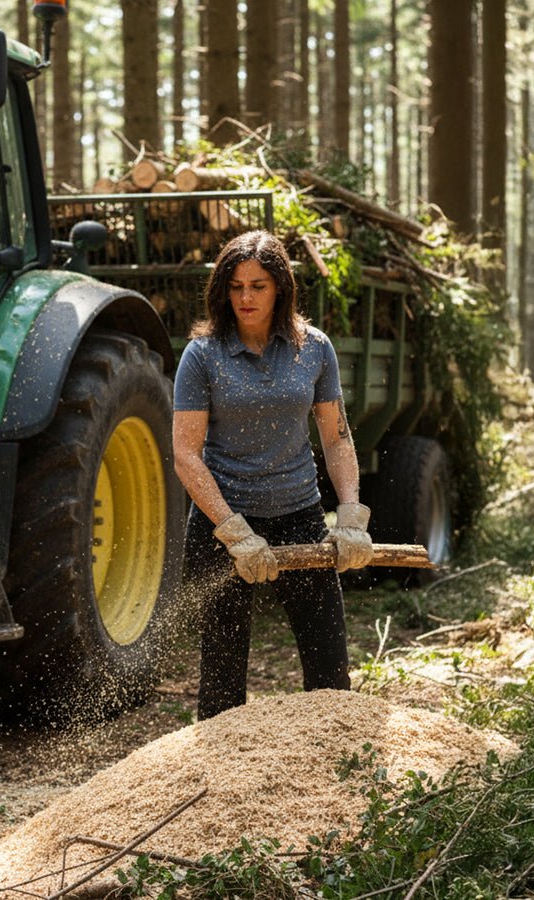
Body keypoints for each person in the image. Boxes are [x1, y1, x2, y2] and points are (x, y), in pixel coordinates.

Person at [172, 229, 374, 721]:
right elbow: (185, 455)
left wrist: (349, 511)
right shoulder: (202, 356)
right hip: (224, 526)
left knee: (330, 672)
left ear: (280, 288)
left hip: (300, 516)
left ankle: (332, 765)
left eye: (258, 286)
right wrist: (233, 531)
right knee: (221, 681)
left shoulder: (315, 349)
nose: (246, 297)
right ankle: (221, 783)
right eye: (236, 286)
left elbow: (337, 437)